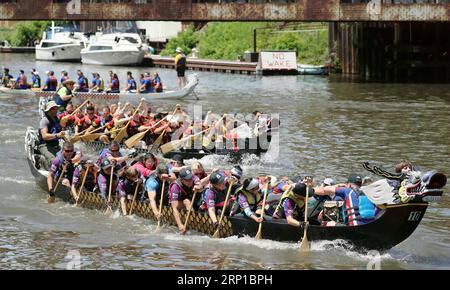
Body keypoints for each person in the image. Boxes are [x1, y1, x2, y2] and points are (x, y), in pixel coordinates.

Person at [169, 167, 202, 234]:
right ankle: (194, 222)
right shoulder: (175, 187)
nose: (190, 181)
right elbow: (174, 208)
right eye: (187, 180)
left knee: (190, 200)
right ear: (181, 179)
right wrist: (180, 225)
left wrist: (198, 187)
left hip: (190, 199)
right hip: (178, 203)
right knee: (187, 201)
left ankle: (193, 220)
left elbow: (200, 185)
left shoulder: (193, 177)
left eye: (190, 179)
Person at [38, 101, 66, 165]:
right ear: (49, 110)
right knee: (54, 161)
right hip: (45, 145)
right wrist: (57, 135)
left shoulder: (57, 119)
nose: (56, 110)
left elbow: (60, 132)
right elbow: (44, 136)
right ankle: (40, 159)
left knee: (65, 160)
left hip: (55, 145)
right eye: (54, 108)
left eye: (56, 108)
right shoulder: (45, 120)